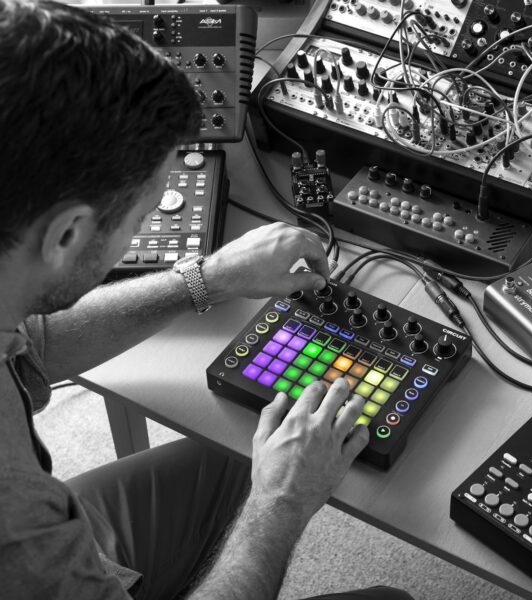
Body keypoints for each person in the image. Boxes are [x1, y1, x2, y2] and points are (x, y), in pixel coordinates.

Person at [0, 1, 413, 598]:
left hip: (70, 546)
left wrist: (207, 278)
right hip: (48, 564)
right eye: (143, 217)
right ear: (65, 235)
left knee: (233, 456)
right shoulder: (17, 521)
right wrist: (282, 501)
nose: (145, 231)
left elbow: (32, 343)